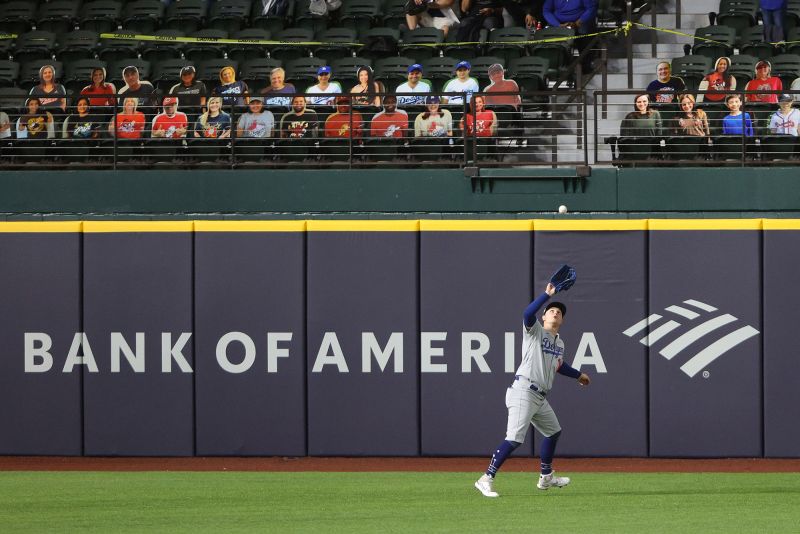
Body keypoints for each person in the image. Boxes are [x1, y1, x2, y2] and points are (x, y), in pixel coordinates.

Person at [474, 280, 590, 498]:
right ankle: (485, 478)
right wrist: (546, 295)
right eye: (551, 311)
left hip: (539, 397)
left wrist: (578, 375)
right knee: (515, 438)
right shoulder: (535, 331)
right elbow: (527, 314)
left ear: (562, 320)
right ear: (544, 317)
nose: (555, 313)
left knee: (553, 431)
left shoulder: (560, 343)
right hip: (524, 390)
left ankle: (546, 476)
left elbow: (558, 365)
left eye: (559, 312)